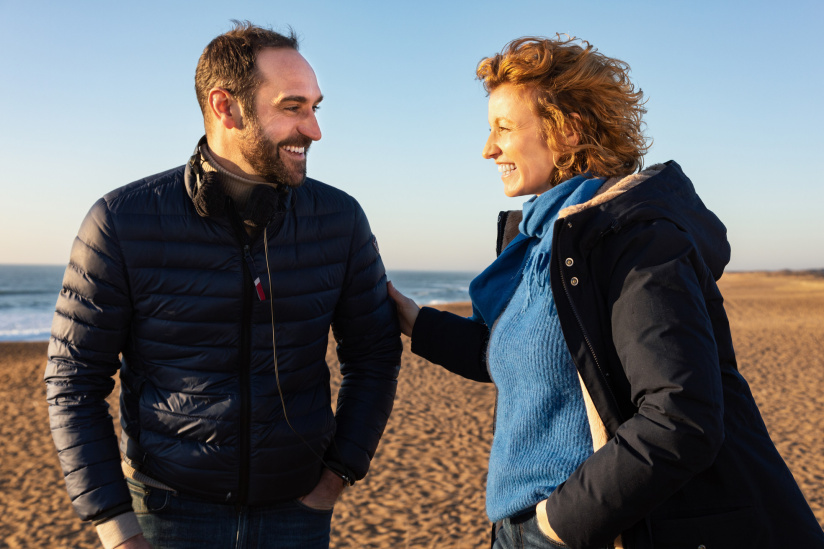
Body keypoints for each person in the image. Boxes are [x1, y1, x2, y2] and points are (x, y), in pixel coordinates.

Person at [389, 36, 824, 549]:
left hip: (585, 531)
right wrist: (411, 318)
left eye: (503, 128)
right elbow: (516, 354)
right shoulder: (538, 242)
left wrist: (556, 525)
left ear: (568, 131)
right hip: (521, 528)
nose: (488, 148)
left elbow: (681, 417)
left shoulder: (632, 239)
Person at [45, 22, 401, 549]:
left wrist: (336, 476)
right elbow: (73, 380)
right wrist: (116, 529)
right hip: (166, 512)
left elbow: (373, 355)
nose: (314, 130)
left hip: (298, 511)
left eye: (315, 108)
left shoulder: (340, 219)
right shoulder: (122, 220)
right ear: (225, 107)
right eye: (292, 107)